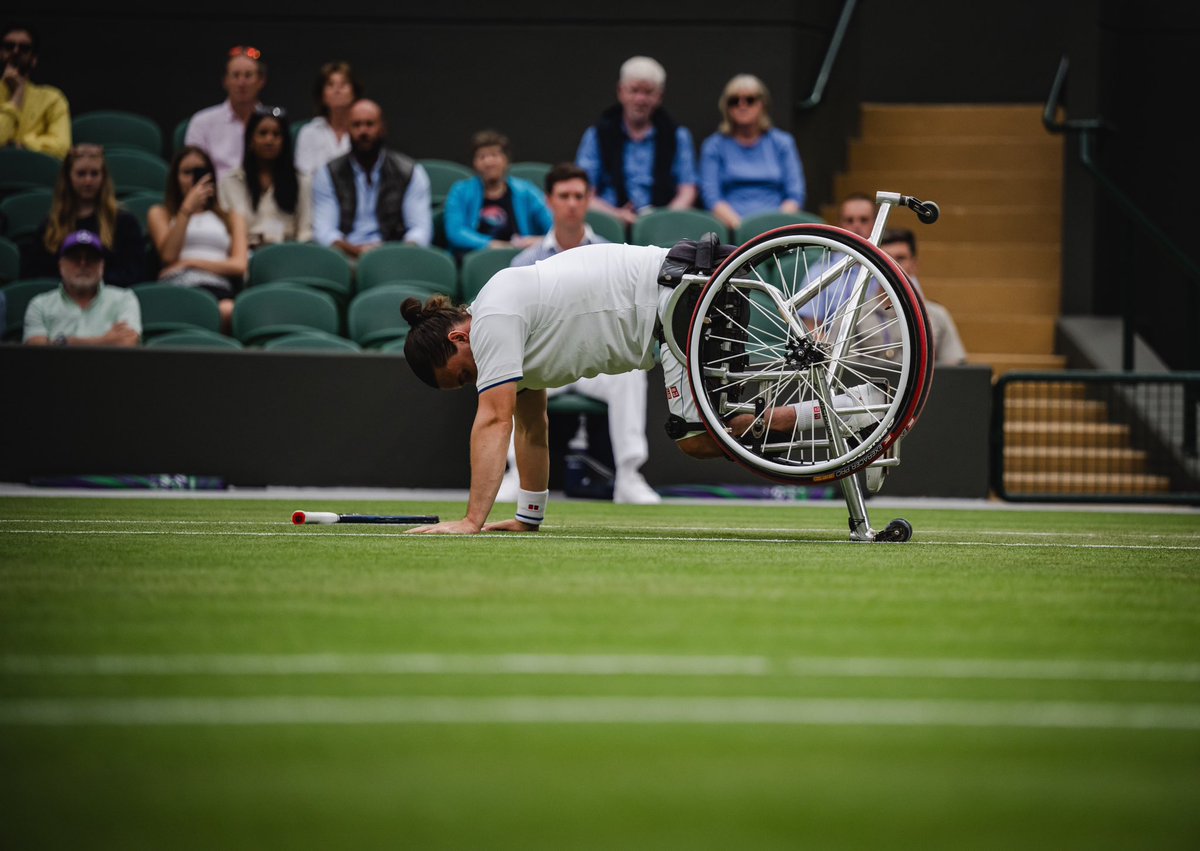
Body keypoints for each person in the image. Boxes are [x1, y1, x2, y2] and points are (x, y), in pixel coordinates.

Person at [398, 242, 885, 534]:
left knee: (699, 438)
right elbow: (530, 430)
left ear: (458, 336)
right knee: (706, 435)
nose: (473, 383)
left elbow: (494, 419)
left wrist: (470, 522)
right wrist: (528, 516)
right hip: (672, 312)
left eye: (462, 374)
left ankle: (847, 414)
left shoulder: (492, 316)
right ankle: (848, 412)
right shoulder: (504, 334)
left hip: (679, 296)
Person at [504, 162, 659, 505]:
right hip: (547, 364)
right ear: (549, 201)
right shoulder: (524, 263)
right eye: (564, 196)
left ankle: (630, 476)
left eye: (578, 195)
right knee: (510, 372)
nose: (571, 203)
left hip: (597, 362)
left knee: (632, 372)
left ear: (589, 200)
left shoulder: (612, 255)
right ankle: (516, 474)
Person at [575, 56, 697, 228]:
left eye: (648, 92)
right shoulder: (597, 135)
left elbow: (687, 191)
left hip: (661, 227)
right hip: (611, 228)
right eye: (634, 90)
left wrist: (662, 219)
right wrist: (615, 215)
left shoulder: (677, 136)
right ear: (620, 91)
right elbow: (585, 193)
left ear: (659, 96)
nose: (640, 99)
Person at [311, 99, 432, 258]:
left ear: (382, 128)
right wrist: (355, 252)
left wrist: (395, 253)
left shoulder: (409, 172)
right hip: (344, 256)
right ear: (348, 129)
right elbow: (324, 231)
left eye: (369, 124)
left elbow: (421, 231)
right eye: (357, 125)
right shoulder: (328, 174)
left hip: (394, 255)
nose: (363, 131)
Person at [147, 145, 248, 331]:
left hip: (216, 287)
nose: (193, 178)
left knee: (228, 310)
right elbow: (169, 256)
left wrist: (190, 262)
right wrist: (186, 210)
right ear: (175, 177)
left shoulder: (231, 217)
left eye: (200, 171)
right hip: (176, 285)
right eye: (186, 172)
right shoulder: (161, 213)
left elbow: (239, 265)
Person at [22, 143, 145, 286]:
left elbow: (134, 273)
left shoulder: (123, 222)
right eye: (81, 174)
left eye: (94, 174)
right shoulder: (51, 224)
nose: (88, 181)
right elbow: (34, 274)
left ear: (103, 177)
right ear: (68, 177)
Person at [699, 74, 806, 233]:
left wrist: (775, 227)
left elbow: (795, 194)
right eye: (734, 101)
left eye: (749, 100)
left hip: (777, 230)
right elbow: (711, 197)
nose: (742, 105)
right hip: (732, 229)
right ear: (726, 107)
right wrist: (742, 228)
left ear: (762, 104)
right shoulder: (714, 146)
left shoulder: (782, 142)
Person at [23, 229, 141, 347]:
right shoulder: (40, 304)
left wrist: (62, 343)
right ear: (61, 265)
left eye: (91, 258)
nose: (83, 263)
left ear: (102, 266)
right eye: (75, 257)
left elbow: (127, 343)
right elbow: (37, 354)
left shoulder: (124, 299)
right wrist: (105, 340)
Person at [443, 129, 551, 256]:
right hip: (476, 257)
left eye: (494, 155)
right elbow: (455, 232)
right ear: (474, 163)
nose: (488, 162)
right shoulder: (460, 191)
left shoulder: (525, 191)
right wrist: (490, 244)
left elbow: (554, 227)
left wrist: (538, 240)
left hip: (519, 257)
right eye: (482, 156)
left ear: (506, 160)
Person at [218, 107, 312, 248]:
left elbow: (305, 233)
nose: (269, 140)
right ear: (251, 140)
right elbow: (224, 232)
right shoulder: (230, 182)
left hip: (287, 254)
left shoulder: (302, 181)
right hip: (245, 256)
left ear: (285, 141)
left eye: (276, 134)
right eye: (262, 133)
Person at [879, 227, 968, 366]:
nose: (893, 265)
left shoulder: (937, 315)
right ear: (875, 264)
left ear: (914, 265)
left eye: (901, 258)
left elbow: (955, 371)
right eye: (886, 258)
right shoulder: (854, 315)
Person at [183, 45, 266, 182]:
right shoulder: (202, 121)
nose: (242, 82)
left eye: (248, 75)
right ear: (225, 81)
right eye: (235, 75)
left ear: (261, 81)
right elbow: (193, 170)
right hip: (215, 196)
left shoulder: (271, 123)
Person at [0, 23, 70, 158]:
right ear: (1, 53)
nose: (15, 51)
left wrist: (22, 144)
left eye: (24, 48)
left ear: (34, 59)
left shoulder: (52, 98)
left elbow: (62, 147)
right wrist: (16, 100)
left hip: (38, 175)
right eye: (9, 46)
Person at [294, 61, 362, 178]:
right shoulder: (309, 132)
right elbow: (305, 176)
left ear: (354, 92)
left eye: (344, 84)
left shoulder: (363, 131)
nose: (337, 89)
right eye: (330, 84)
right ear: (322, 95)